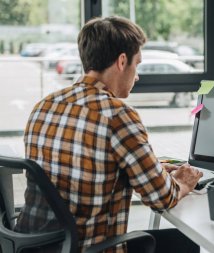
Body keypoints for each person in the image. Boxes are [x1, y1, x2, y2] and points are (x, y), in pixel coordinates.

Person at [15, 16, 203, 253]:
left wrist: (148, 170)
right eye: (137, 64)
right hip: (89, 247)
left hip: (36, 246)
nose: (137, 75)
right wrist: (183, 181)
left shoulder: (45, 105)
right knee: (183, 243)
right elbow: (161, 197)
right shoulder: (117, 115)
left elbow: (79, 170)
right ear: (122, 61)